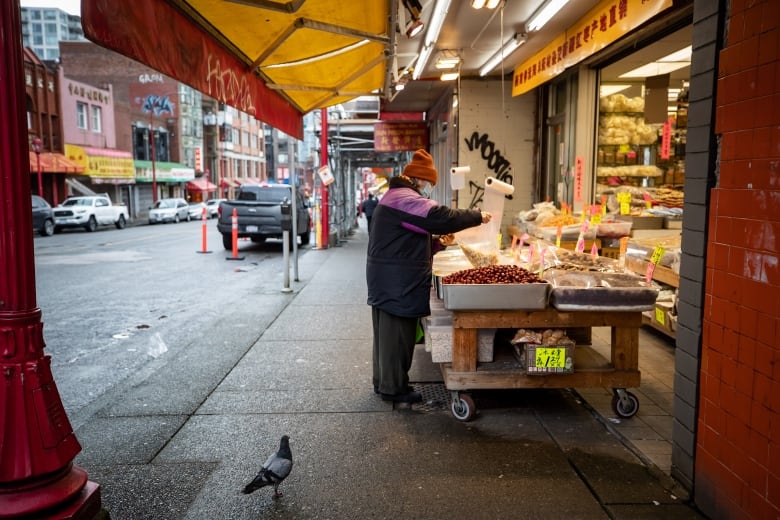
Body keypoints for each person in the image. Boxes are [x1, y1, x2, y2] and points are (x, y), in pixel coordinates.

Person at [366, 149, 492, 403]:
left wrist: (436, 244)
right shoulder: (405, 198)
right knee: (397, 337)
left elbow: (407, 238)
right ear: (420, 179)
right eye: (429, 184)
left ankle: (386, 382)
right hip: (396, 281)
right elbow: (439, 217)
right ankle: (394, 389)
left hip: (388, 277)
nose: (429, 189)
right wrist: (477, 216)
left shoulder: (395, 197)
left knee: (387, 336)